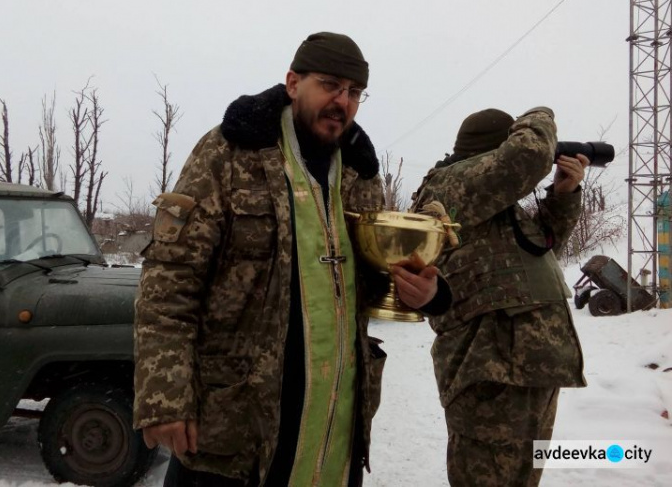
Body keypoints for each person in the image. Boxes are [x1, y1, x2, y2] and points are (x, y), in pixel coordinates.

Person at [133, 32, 450, 487]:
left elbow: (368, 282)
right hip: (238, 423)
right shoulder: (228, 152)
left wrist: (426, 294)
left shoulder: (360, 169)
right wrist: (164, 395)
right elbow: (171, 279)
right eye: (330, 85)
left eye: (354, 92)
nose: (342, 101)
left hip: (332, 421)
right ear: (293, 82)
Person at [410, 106, 588, 486]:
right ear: (495, 154)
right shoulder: (448, 186)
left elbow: (541, 249)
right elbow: (528, 154)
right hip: (492, 366)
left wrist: (563, 194)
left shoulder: (492, 204)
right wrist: (541, 114)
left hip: (533, 364)